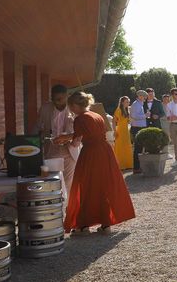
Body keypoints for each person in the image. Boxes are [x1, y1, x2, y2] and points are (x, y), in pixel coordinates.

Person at [55, 92, 135, 235]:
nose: (70, 110)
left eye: (70, 107)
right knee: (103, 186)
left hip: (91, 154)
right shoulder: (96, 115)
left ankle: (83, 225)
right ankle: (106, 223)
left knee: (86, 186)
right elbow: (91, 133)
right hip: (105, 152)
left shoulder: (80, 118)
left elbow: (76, 141)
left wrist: (62, 139)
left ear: (74, 105)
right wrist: (69, 137)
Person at [35, 84, 79, 197]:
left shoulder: (75, 108)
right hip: (51, 151)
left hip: (70, 151)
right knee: (53, 183)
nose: (57, 102)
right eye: (54, 99)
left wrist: (67, 137)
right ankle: (56, 210)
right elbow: (37, 127)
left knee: (69, 183)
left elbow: (81, 132)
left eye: (60, 99)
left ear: (67, 96)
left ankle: (67, 211)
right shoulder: (45, 108)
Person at [129, 89, 148, 175]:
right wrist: (145, 115)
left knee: (139, 148)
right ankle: (136, 168)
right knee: (137, 149)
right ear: (140, 96)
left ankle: (138, 167)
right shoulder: (136, 104)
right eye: (144, 96)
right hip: (137, 128)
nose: (145, 98)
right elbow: (134, 116)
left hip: (138, 128)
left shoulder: (139, 104)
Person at [113, 96, 133, 170]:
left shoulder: (127, 109)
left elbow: (129, 121)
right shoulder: (118, 110)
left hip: (126, 130)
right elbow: (113, 121)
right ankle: (120, 165)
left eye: (128, 102)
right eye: (126, 102)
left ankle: (127, 164)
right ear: (122, 102)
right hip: (120, 130)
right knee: (120, 147)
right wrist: (115, 131)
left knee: (127, 146)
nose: (127, 103)